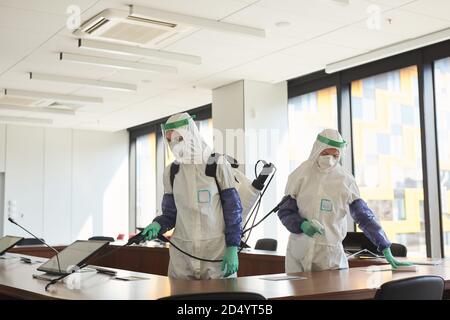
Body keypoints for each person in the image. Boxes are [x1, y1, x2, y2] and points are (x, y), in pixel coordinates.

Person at [278, 128, 412, 272]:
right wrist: (301, 225)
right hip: (299, 250)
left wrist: (385, 247)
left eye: (335, 155)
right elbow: (285, 210)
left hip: (330, 256)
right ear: (317, 149)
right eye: (325, 153)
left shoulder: (345, 179)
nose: (330, 159)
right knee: (296, 293)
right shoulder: (300, 174)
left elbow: (364, 216)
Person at [141, 112, 243, 279]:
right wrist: (158, 225)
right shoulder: (171, 172)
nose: (174, 145)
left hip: (215, 253)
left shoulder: (216, 164)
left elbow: (233, 210)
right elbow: (170, 214)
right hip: (182, 255)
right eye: (169, 140)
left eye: (179, 138)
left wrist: (232, 247)